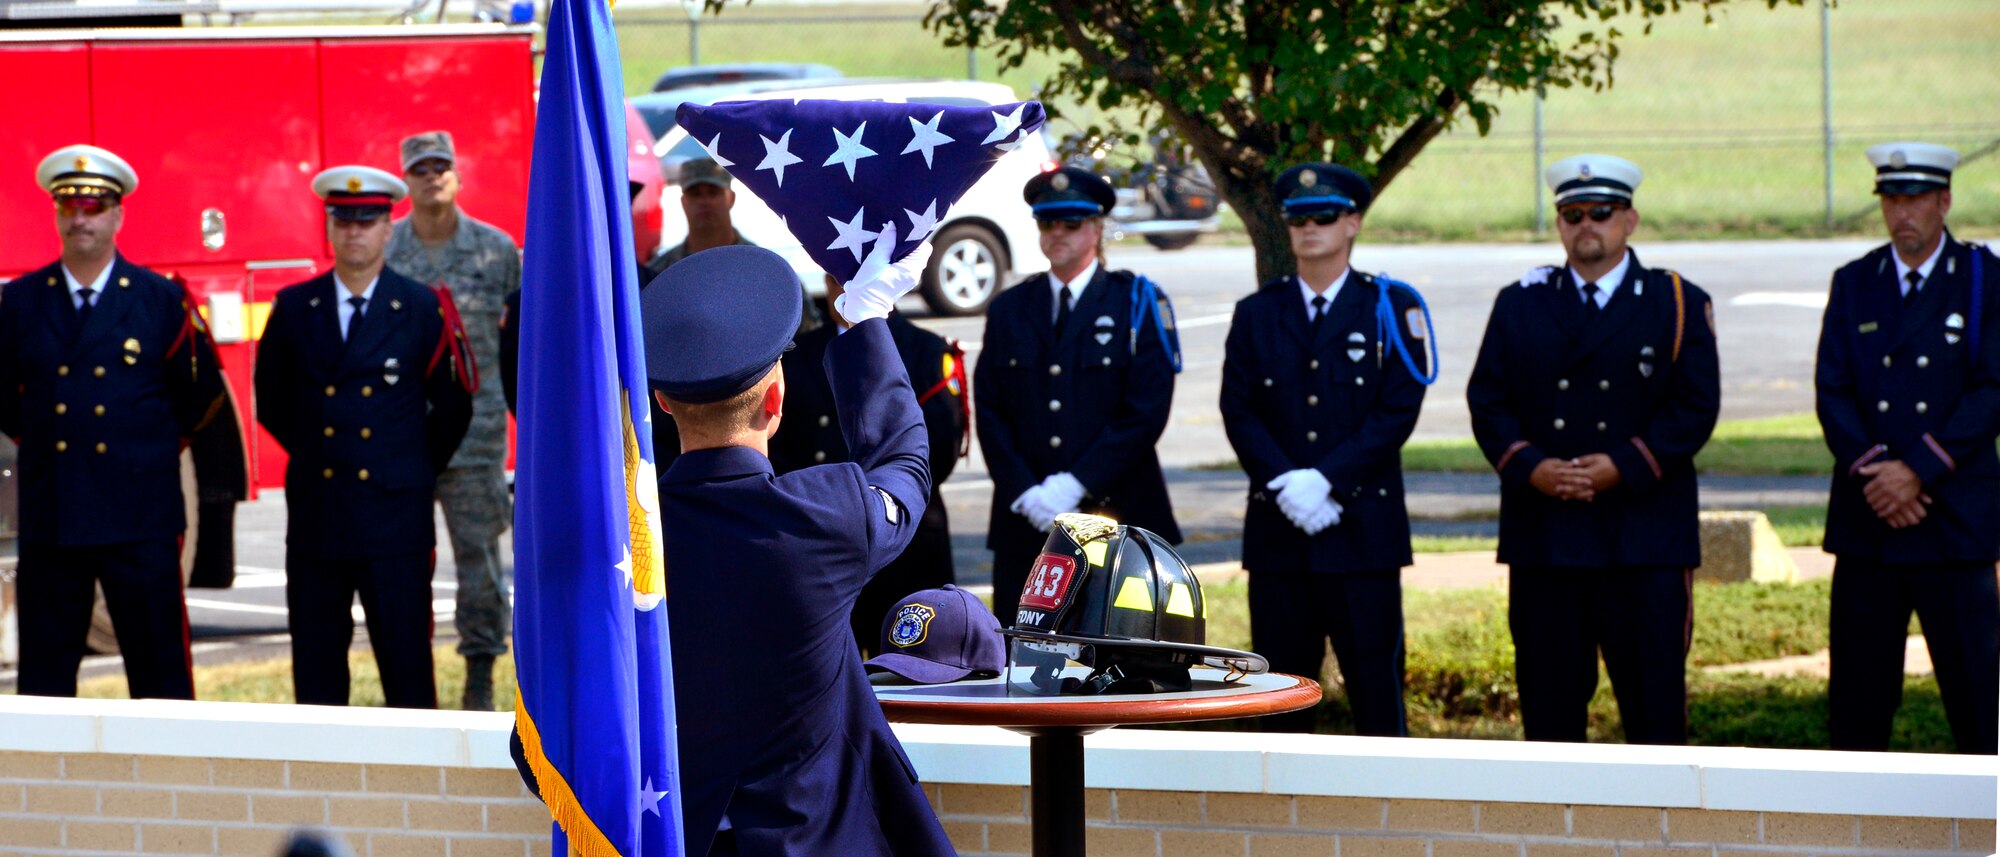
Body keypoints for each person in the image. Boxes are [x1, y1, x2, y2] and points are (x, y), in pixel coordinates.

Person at [641, 239, 953, 855]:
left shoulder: (622, 547)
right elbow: (905, 464)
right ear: (777, 403)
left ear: (662, 401)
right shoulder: (827, 516)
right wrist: (865, 321)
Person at [1466, 154, 1720, 744]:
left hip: (1643, 536)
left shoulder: (1675, 301)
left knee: (1654, 707)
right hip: (1547, 536)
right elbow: (1488, 402)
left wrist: (1623, 467)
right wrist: (1532, 468)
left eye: (1601, 213)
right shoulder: (1521, 302)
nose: (1587, 225)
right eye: (1572, 214)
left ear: (1629, 220)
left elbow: (1695, 406)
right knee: (1549, 709)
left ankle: (1661, 834)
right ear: (1559, 224)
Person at [0, 144, 225, 699]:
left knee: (161, 679)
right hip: (55, 516)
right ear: (56, 215)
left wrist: (140, 453)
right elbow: (5, 400)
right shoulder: (21, 303)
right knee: (46, 684)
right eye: (69, 207)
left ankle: (173, 782)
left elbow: (200, 399)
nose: (81, 218)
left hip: (139, 516)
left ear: (117, 215)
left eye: (94, 206)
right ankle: (50, 789)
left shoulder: (159, 300)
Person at [1219, 163, 1431, 735]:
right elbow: (1238, 410)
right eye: (1297, 217)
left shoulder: (1388, 307)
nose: (1310, 227)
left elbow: (1399, 407)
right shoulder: (1257, 313)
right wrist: (1287, 483)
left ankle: (1389, 809)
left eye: (1325, 216)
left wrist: (1329, 480)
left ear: (1353, 223)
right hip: (1279, 533)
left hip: (1363, 531)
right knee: (1281, 696)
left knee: (1376, 688)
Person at [253, 165, 474, 709]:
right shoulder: (293, 308)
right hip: (319, 516)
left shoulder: (421, 307)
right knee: (318, 669)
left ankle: (421, 787)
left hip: (394, 519)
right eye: (344, 219)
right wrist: (324, 450)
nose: (355, 230)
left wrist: (405, 464)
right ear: (329, 227)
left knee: (407, 669)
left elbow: (453, 407)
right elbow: (272, 401)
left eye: (368, 219)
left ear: (387, 228)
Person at [1816, 142, 1999, 755]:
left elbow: (1992, 387)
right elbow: (1833, 390)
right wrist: (1879, 477)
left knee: (1980, 698)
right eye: (1892, 199)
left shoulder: (1984, 280)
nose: (1903, 213)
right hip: (1871, 523)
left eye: (1916, 198)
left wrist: (1917, 472)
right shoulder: (1855, 283)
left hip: (1952, 521)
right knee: (1859, 707)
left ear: (1944, 201)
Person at [974, 166, 1180, 622]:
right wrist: (1024, 489)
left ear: (1097, 227)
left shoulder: (1136, 303)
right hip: (1028, 523)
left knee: (1121, 666)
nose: (1058, 233)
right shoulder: (1010, 308)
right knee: (1026, 664)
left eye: (1072, 223)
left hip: (1118, 517)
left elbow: (1146, 409)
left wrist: (1076, 483)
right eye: (1048, 223)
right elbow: (989, 408)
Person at [384, 131, 521, 710]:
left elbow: (519, 346)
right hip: (402, 435)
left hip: (477, 435)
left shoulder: (496, 250)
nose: (432, 176)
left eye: (442, 166)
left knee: (480, 563)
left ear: (458, 176)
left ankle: (481, 674)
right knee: (398, 563)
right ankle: (409, 679)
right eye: (421, 169)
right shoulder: (385, 251)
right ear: (406, 182)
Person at [772, 273, 967, 656]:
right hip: (822, 541)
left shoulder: (925, 349)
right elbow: (780, 448)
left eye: (855, 277)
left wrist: (876, 506)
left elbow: (941, 445)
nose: (844, 289)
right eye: (835, 277)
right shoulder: (796, 355)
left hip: (907, 539)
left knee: (919, 671)